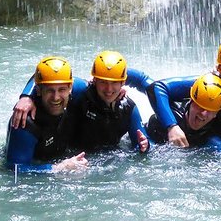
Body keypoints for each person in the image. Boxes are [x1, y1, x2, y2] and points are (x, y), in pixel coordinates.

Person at [12, 51, 154, 153]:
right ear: (94, 80)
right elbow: (48, 75)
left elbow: (142, 143)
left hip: (108, 160)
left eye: (114, 83)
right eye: (103, 82)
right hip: (73, 154)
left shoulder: (129, 108)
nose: (109, 89)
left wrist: (145, 146)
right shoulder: (83, 91)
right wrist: (26, 96)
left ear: (123, 83)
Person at [5, 56, 88, 173]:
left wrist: (122, 90)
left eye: (62, 90)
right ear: (38, 90)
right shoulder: (25, 122)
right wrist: (58, 168)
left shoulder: (78, 90)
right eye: (49, 90)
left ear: (70, 88)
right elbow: (14, 169)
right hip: (37, 164)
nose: (56, 97)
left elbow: (105, 85)